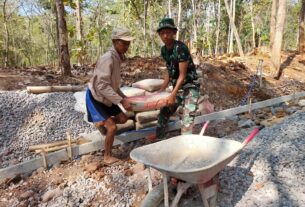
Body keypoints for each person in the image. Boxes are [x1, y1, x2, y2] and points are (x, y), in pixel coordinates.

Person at [86, 28, 134, 164]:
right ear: (114, 42)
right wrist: (120, 100)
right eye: (123, 43)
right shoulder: (108, 58)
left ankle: (102, 122)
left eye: (127, 43)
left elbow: (113, 86)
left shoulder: (117, 58)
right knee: (112, 127)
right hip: (96, 96)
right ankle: (107, 156)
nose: (126, 46)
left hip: (106, 95)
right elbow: (101, 86)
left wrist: (124, 98)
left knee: (124, 118)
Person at [150, 18, 200, 140]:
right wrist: (162, 89)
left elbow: (182, 75)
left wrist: (172, 95)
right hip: (178, 86)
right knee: (164, 112)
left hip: (190, 86)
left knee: (187, 120)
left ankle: (186, 146)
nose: (165, 36)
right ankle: (159, 137)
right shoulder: (164, 50)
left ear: (174, 33)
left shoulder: (180, 48)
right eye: (162, 33)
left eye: (168, 32)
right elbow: (169, 71)